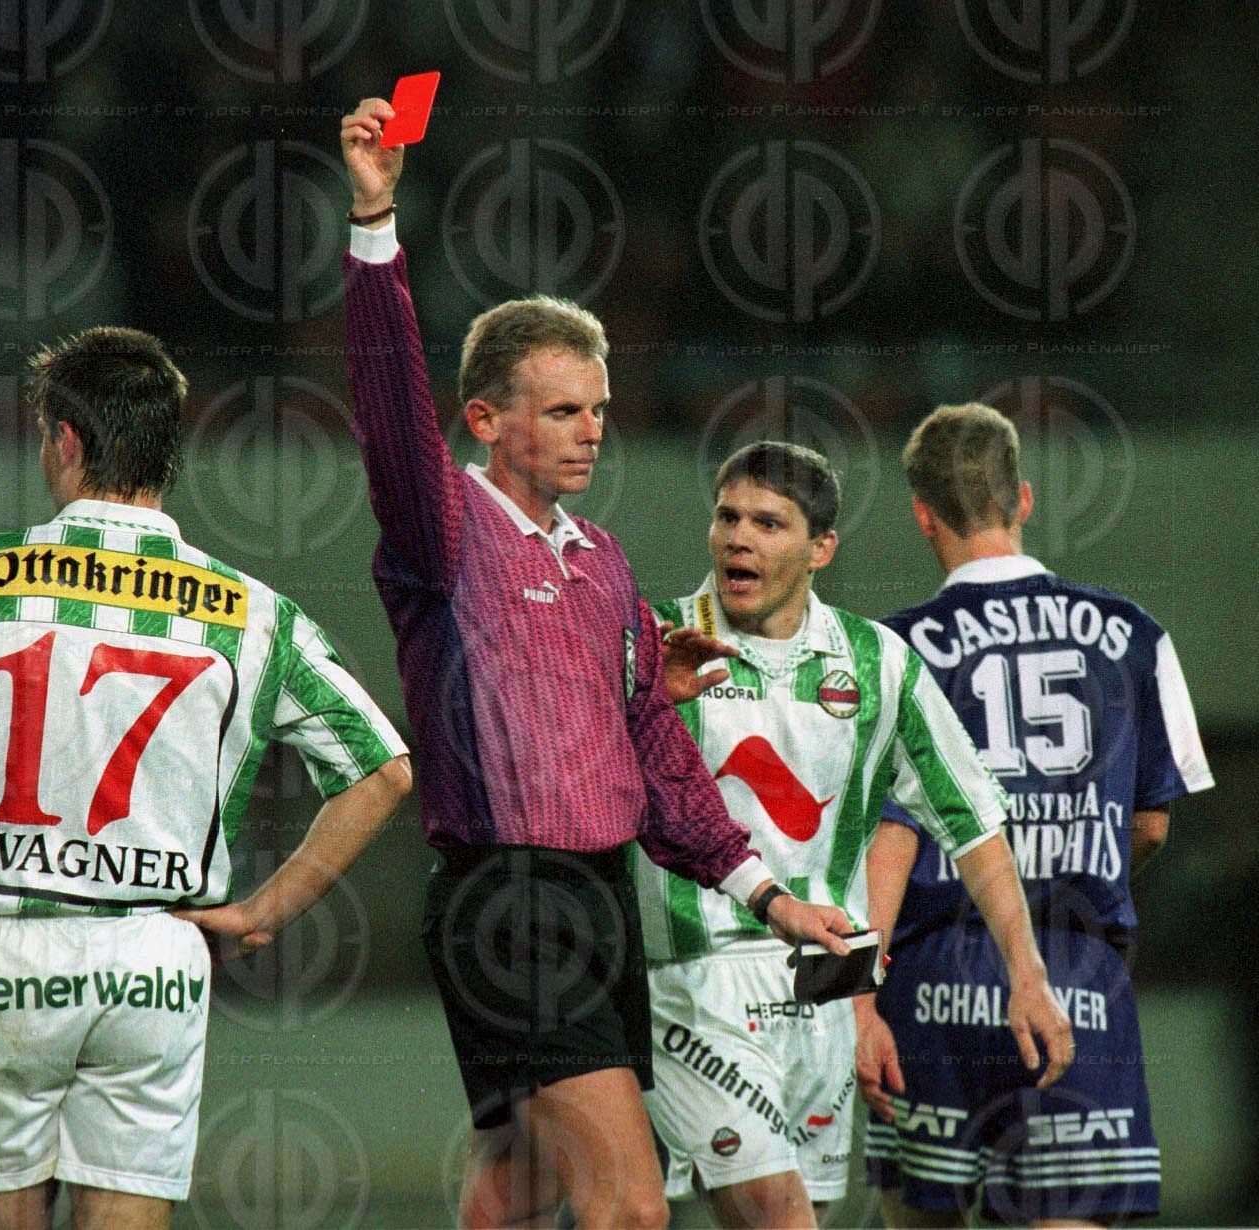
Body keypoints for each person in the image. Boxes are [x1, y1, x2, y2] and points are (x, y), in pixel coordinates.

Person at [0, 325, 412, 1230]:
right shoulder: (253, 613)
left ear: (64, 440)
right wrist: (264, 911)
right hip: (156, 962)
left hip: (0, 955)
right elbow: (381, 770)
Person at [339, 99, 852, 1230]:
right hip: (508, 902)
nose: (591, 430)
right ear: (484, 420)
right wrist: (376, 224)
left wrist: (766, 896)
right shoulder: (444, 531)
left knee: (514, 1195)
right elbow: (388, 417)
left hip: (598, 896)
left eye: (600, 409)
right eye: (564, 411)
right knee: (630, 1208)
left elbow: (654, 751)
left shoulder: (603, 559)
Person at [637, 441, 1074, 1229]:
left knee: (803, 1210)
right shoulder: (655, 642)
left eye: (769, 523)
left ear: (821, 549)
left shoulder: (877, 662)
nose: (739, 539)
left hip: (827, 983)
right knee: (778, 1216)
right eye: (728, 518)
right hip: (698, 976)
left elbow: (972, 821)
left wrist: (1028, 971)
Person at [858, 402, 1214, 1227]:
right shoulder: (1135, 635)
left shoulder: (891, 650)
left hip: (934, 973)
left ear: (922, 515)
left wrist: (856, 997)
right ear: (1022, 498)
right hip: (1073, 971)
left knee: (924, 1215)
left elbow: (887, 839)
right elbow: (1150, 826)